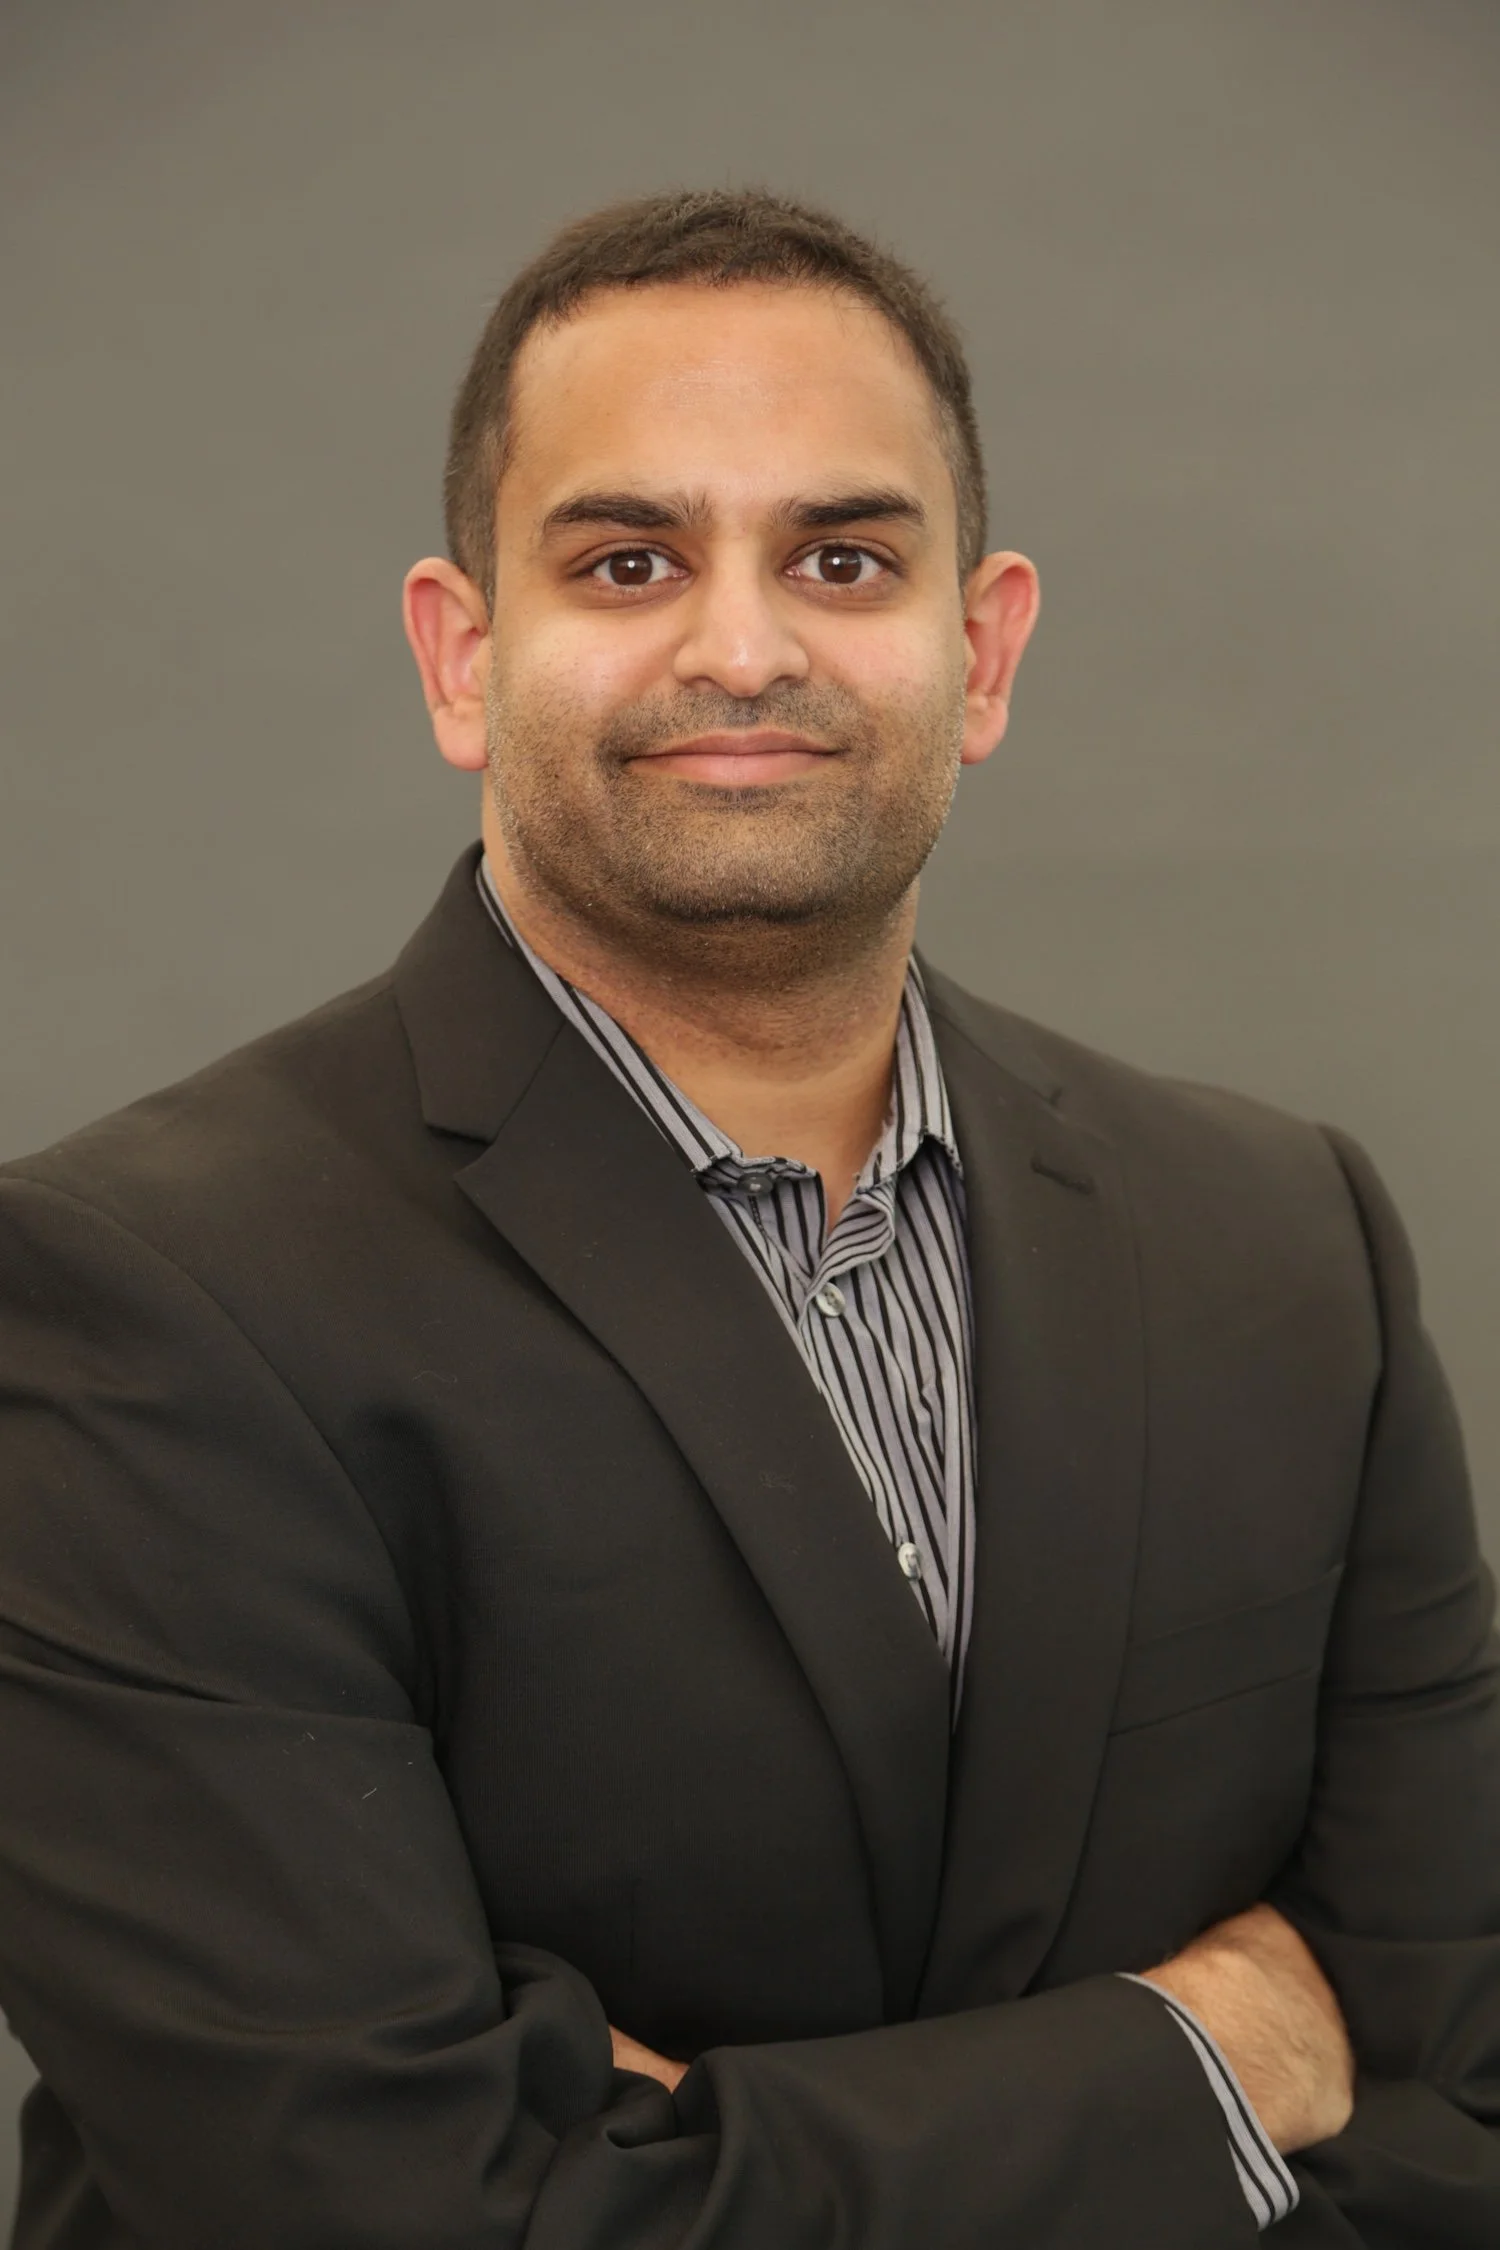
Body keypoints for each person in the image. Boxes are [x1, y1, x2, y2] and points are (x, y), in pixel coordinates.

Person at [0, 187, 1495, 2250]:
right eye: (628, 558)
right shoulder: (131, 1304)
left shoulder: (1288, 1247)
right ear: (464, 652)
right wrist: (1207, 2057)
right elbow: (386, 2212)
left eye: (844, 557)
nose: (741, 643)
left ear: (980, 653)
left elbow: (1466, 2097)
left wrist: (687, 2154)